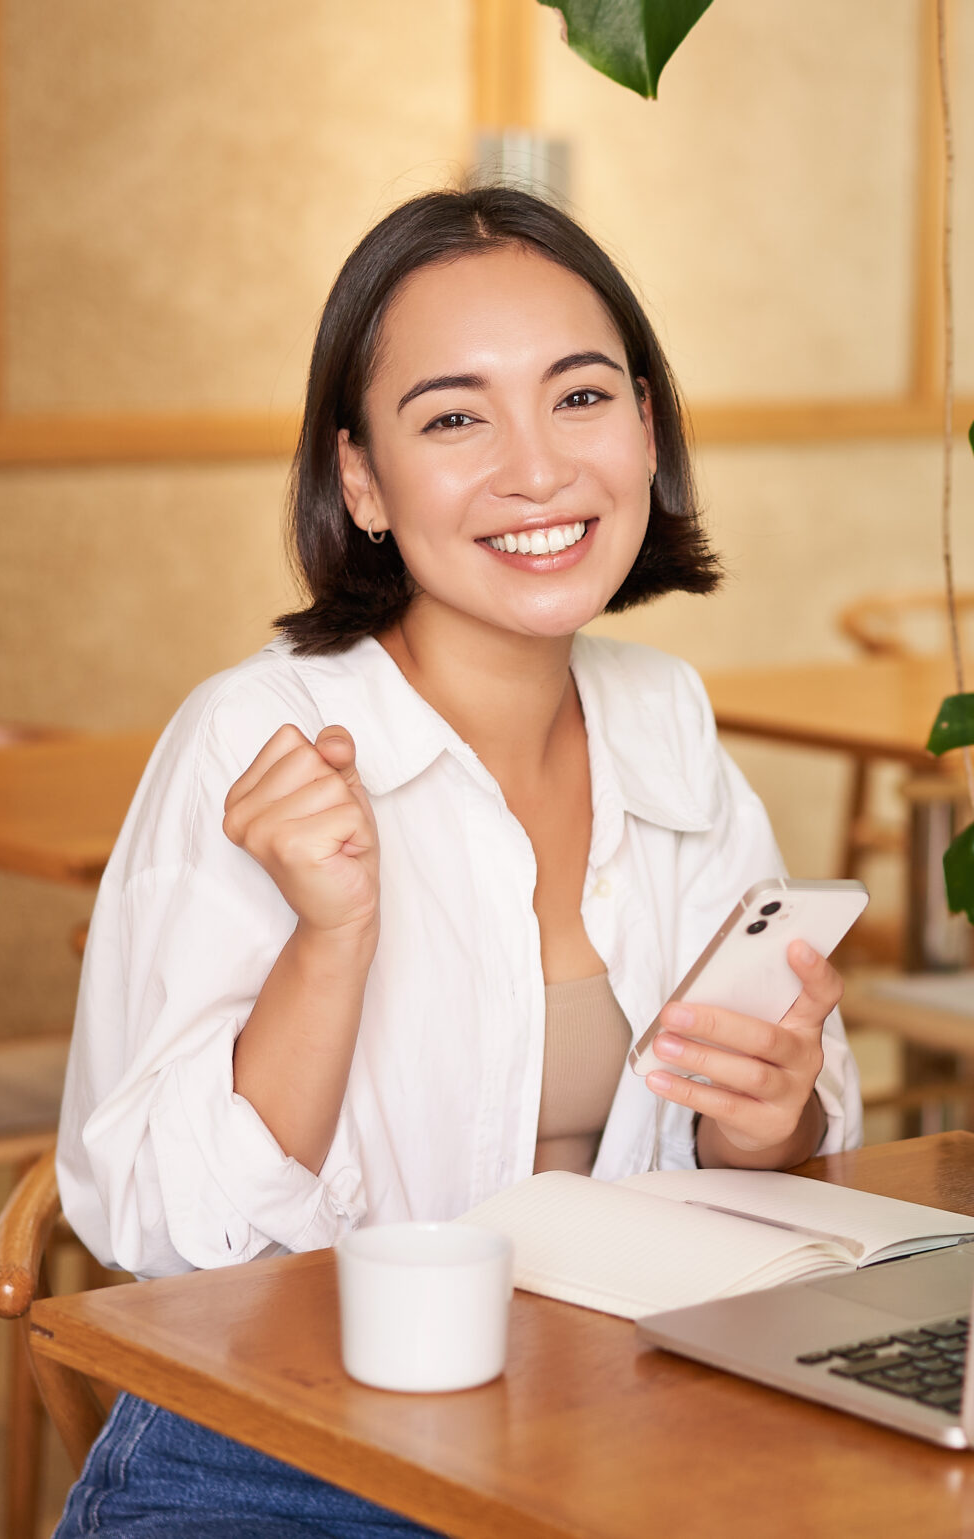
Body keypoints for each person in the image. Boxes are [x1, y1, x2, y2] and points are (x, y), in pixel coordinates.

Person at [50, 186, 862, 1538]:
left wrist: (769, 1116)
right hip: (277, 1460)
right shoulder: (257, 740)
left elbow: (761, 1144)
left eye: (582, 397)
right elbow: (167, 1237)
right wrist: (330, 938)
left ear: (647, 429)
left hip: (617, 1432)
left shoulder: (664, 718)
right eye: (453, 416)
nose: (537, 470)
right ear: (359, 478)